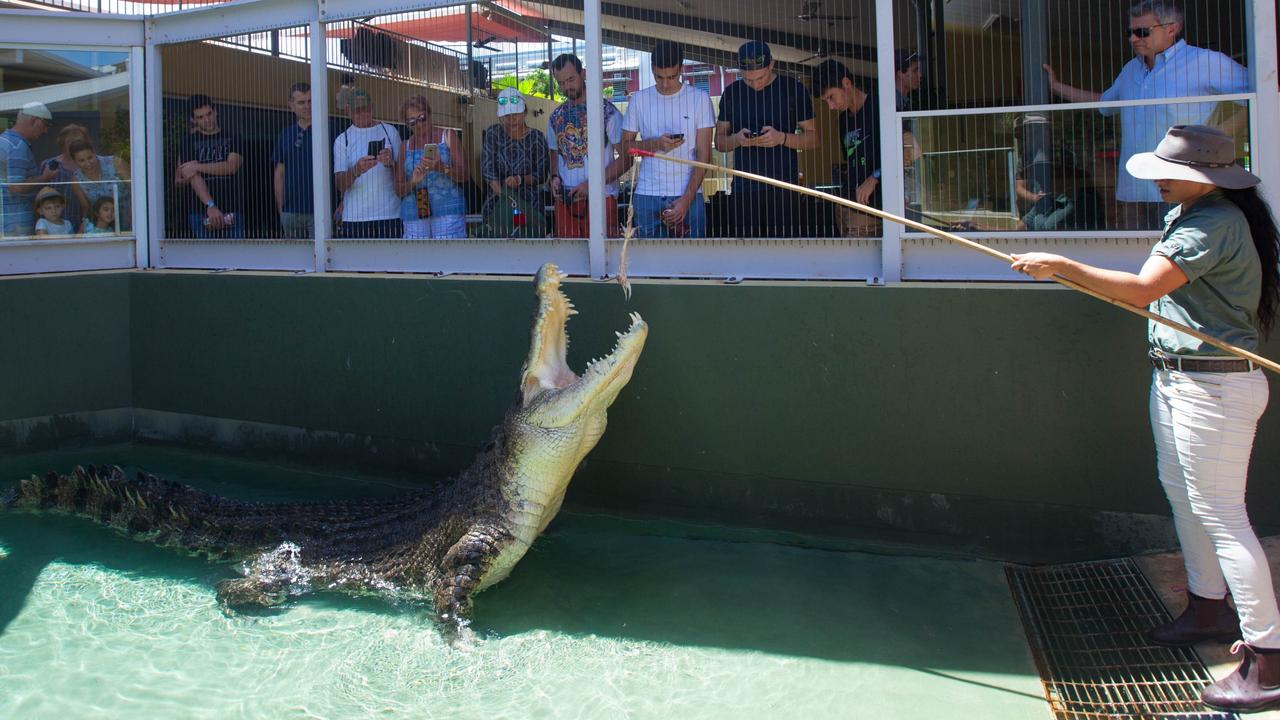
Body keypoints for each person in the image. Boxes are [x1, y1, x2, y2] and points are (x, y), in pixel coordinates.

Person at [1010, 125, 1280, 714]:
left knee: (1223, 515)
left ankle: (1268, 660)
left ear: (1200, 176)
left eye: (1165, 170)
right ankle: (1207, 607)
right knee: (1184, 497)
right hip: (1181, 376)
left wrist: (1061, 265)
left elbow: (1142, 290)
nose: (1155, 178)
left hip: (1215, 387)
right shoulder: (1194, 214)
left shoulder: (1213, 224)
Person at [1043, 0, 1249, 229]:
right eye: (1130, 32)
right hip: (1135, 188)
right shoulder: (1131, 69)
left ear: (1171, 28)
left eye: (1142, 32)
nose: (1133, 39)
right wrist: (1056, 87)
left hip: (1180, 187)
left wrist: (1216, 137)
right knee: (1135, 258)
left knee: (1174, 258)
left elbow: (1261, 95)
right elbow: (1104, 103)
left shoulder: (1206, 62)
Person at [715, 41, 817, 237]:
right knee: (745, 254)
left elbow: (814, 138)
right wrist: (737, 139)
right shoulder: (732, 92)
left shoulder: (793, 89)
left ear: (772, 64)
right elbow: (719, 142)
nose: (755, 84)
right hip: (744, 190)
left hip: (784, 188)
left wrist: (782, 138)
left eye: (760, 77)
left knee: (784, 252)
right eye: (748, 80)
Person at [617, 40, 715, 238]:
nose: (665, 83)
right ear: (652, 68)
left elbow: (704, 155)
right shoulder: (639, 100)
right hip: (647, 193)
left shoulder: (699, 99)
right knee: (648, 266)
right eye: (659, 76)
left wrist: (686, 201)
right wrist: (654, 144)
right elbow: (624, 147)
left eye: (671, 77)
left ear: (681, 69)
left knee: (691, 263)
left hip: (688, 193)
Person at [547, 53, 630, 238]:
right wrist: (554, 177)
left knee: (605, 260)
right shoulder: (555, 118)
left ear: (583, 73)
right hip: (566, 203)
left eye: (571, 79)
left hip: (602, 199)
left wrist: (592, 184)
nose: (567, 86)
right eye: (561, 83)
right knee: (567, 263)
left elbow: (626, 159)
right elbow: (554, 155)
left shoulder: (608, 113)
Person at [810, 59, 882, 236]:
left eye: (831, 97)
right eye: (826, 101)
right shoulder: (843, 120)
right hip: (847, 206)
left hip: (876, 210)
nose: (831, 106)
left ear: (846, 83)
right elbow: (850, 161)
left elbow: (905, 152)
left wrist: (874, 178)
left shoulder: (879, 108)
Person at [332, 86, 402, 238]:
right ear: (348, 111)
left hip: (390, 214)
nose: (364, 114)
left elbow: (403, 174)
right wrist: (357, 170)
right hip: (355, 217)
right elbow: (340, 183)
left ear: (372, 107)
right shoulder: (342, 140)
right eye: (358, 110)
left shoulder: (390, 131)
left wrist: (390, 163)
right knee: (358, 262)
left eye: (367, 109)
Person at [480, 87, 549, 238]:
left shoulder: (537, 137)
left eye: (516, 114)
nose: (512, 119)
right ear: (500, 116)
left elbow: (542, 173)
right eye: (507, 115)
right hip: (497, 204)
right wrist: (504, 195)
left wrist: (520, 180)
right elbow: (487, 168)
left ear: (524, 112)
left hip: (529, 206)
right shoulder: (493, 133)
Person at [396, 95, 468, 239]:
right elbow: (398, 189)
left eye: (422, 117)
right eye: (412, 121)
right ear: (407, 124)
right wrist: (413, 182)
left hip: (448, 209)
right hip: (414, 210)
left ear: (429, 114)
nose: (419, 124)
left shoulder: (447, 136)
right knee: (416, 259)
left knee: (448, 257)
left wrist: (441, 167)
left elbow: (465, 174)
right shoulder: (405, 146)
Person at [174, 94, 244, 238]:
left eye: (209, 114)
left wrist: (197, 167)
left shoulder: (233, 137)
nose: (207, 120)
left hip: (233, 208)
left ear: (215, 111)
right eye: (200, 117)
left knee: (237, 257)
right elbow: (192, 177)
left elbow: (231, 167)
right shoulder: (188, 142)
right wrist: (210, 206)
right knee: (206, 258)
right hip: (200, 212)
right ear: (193, 120)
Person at [1, 102, 57, 238]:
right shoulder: (16, 147)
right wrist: (45, 177)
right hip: (14, 225)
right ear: (34, 120)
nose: (45, 131)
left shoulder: (5, 141)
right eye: (45, 125)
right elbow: (15, 187)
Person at [271, 82, 315, 239]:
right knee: (295, 262)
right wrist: (281, 209)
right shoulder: (285, 134)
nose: (307, 106)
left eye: (310, 101)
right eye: (301, 102)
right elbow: (279, 174)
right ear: (291, 105)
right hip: (290, 213)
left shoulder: (329, 130)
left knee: (325, 260)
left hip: (321, 212)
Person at [68, 138, 130, 232]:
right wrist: (84, 228)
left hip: (131, 217)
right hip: (105, 226)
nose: (88, 164)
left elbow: (137, 190)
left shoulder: (115, 163)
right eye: (81, 160)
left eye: (90, 158)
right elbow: (86, 208)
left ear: (94, 152)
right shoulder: (76, 180)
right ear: (74, 161)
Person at [41, 123, 91, 231]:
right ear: (62, 143)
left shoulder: (91, 165)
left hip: (85, 223)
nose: (74, 145)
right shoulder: (50, 165)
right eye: (70, 142)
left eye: (78, 141)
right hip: (54, 225)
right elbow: (39, 197)